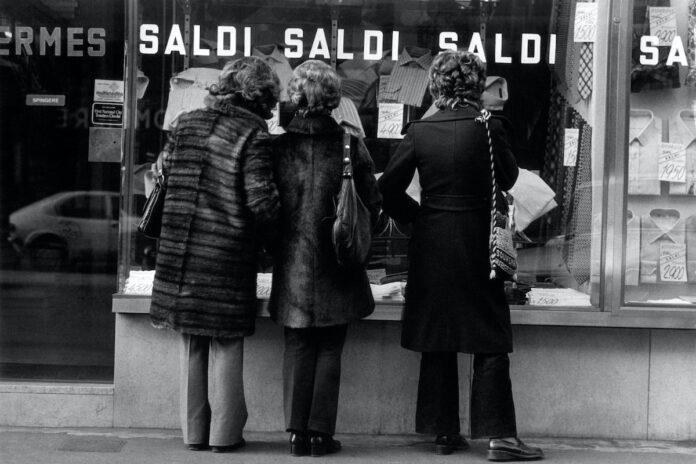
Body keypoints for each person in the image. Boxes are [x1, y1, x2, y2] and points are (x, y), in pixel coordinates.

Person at [378, 50, 544, 462]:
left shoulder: (419, 131)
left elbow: (387, 190)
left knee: (438, 334)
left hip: (432, 241)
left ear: (435, 85)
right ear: (476, 86)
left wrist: (418, 218)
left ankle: (443, 431)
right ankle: (500, 437)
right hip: (478, 242)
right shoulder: (490, 128)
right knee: (489, 336)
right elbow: (508, 178)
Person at [149, 57, 281, 453]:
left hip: (179, 252)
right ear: (259, 97)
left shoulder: (185, 123)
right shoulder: (251, 135)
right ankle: (225, 434)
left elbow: (165, 175)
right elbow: (262, 201)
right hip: (224, 254)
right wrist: (278, 239)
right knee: (226, 342)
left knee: (192, 342)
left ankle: (194, 433)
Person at [269, 60, 382, 457]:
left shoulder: (278, 146)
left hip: (293, 261)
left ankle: (297, 433)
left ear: (295, 96)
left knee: (297, 343)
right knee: (331, 345)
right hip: (339, 260)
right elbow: (373, 203)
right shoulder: (351, 144)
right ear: (334, 98)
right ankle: (320, 433)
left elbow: (267, 209)